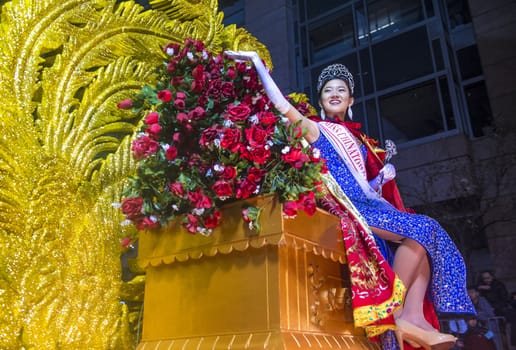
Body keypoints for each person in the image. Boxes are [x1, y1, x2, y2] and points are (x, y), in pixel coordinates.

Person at [224, 51, 475, 349]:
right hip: (351, 208)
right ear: (320, 100)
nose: (334, 94)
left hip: (370, 204)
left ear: (351, 100)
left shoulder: (359, 141)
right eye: (328, 90)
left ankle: (413, 317)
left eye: (341, 89)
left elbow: (362, 182)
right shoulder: (317, 129)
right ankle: (396, 313)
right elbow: (280, 105)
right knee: (422, 229)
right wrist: (257, 62)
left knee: (423, 234)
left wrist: (379, 180)